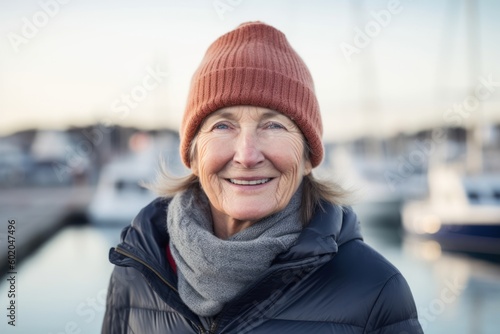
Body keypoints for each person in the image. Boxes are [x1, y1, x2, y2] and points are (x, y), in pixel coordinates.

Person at [102, 21, 423, 334]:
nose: (247, 155)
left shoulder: (375, 291)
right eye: (223, 126)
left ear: (308, 156)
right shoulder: (136, 271)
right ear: (194, 155)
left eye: (273, 126)